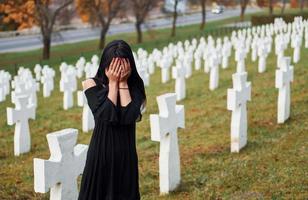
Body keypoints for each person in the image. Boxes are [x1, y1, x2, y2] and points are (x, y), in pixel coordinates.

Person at [78, 40, 146, 200]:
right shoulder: (91, 84)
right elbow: (106, 116)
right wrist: (114, 83)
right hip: (101, 156)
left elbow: (129, 116)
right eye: (114, 65)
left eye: (123, 65)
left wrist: (122, 82)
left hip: (126, 155)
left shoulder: (135, 86)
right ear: (106, 64)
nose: (119, 70)